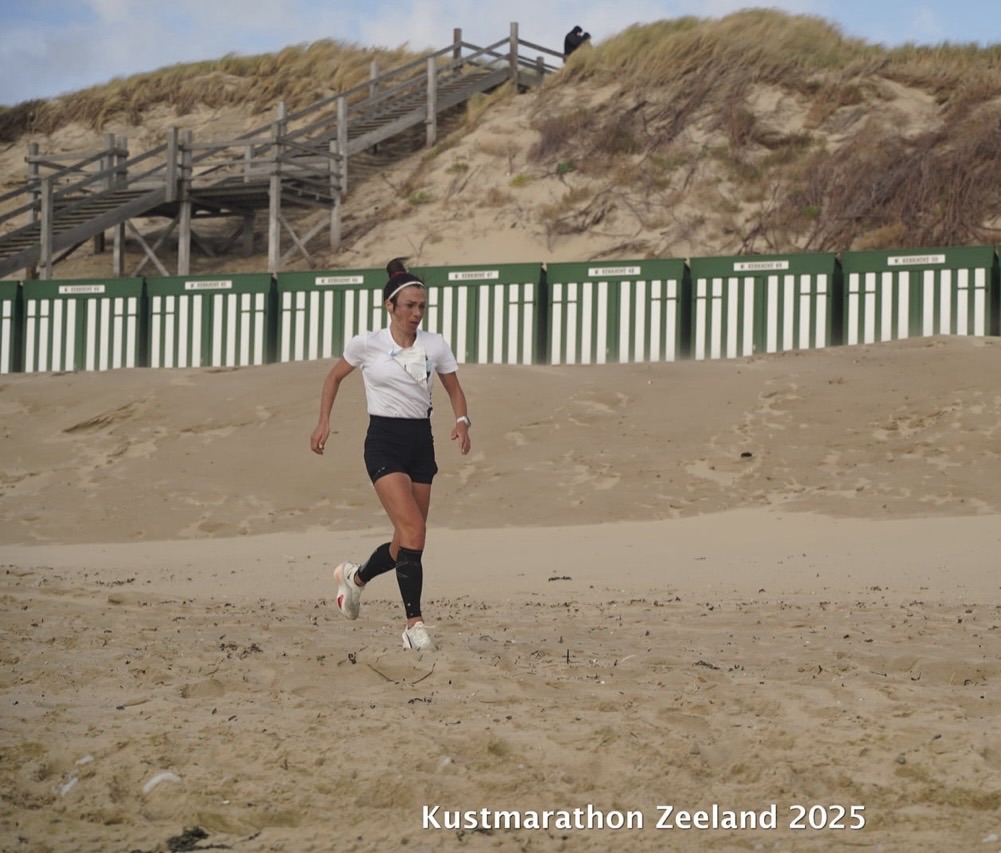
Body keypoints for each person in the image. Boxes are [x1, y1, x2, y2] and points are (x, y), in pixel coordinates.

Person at [310, 257, 471, 652]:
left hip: (421, 443)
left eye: (422, 306)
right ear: (390, 306)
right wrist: (324, 421)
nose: (417, 313)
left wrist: (462, 420)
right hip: (383, 442)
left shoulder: (435, 345)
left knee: (406, 541)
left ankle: (355, 579)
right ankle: (413, 626)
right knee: (415, 531)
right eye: (409, 306)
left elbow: (454, 389)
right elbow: (333, 377)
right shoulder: (367, 344)